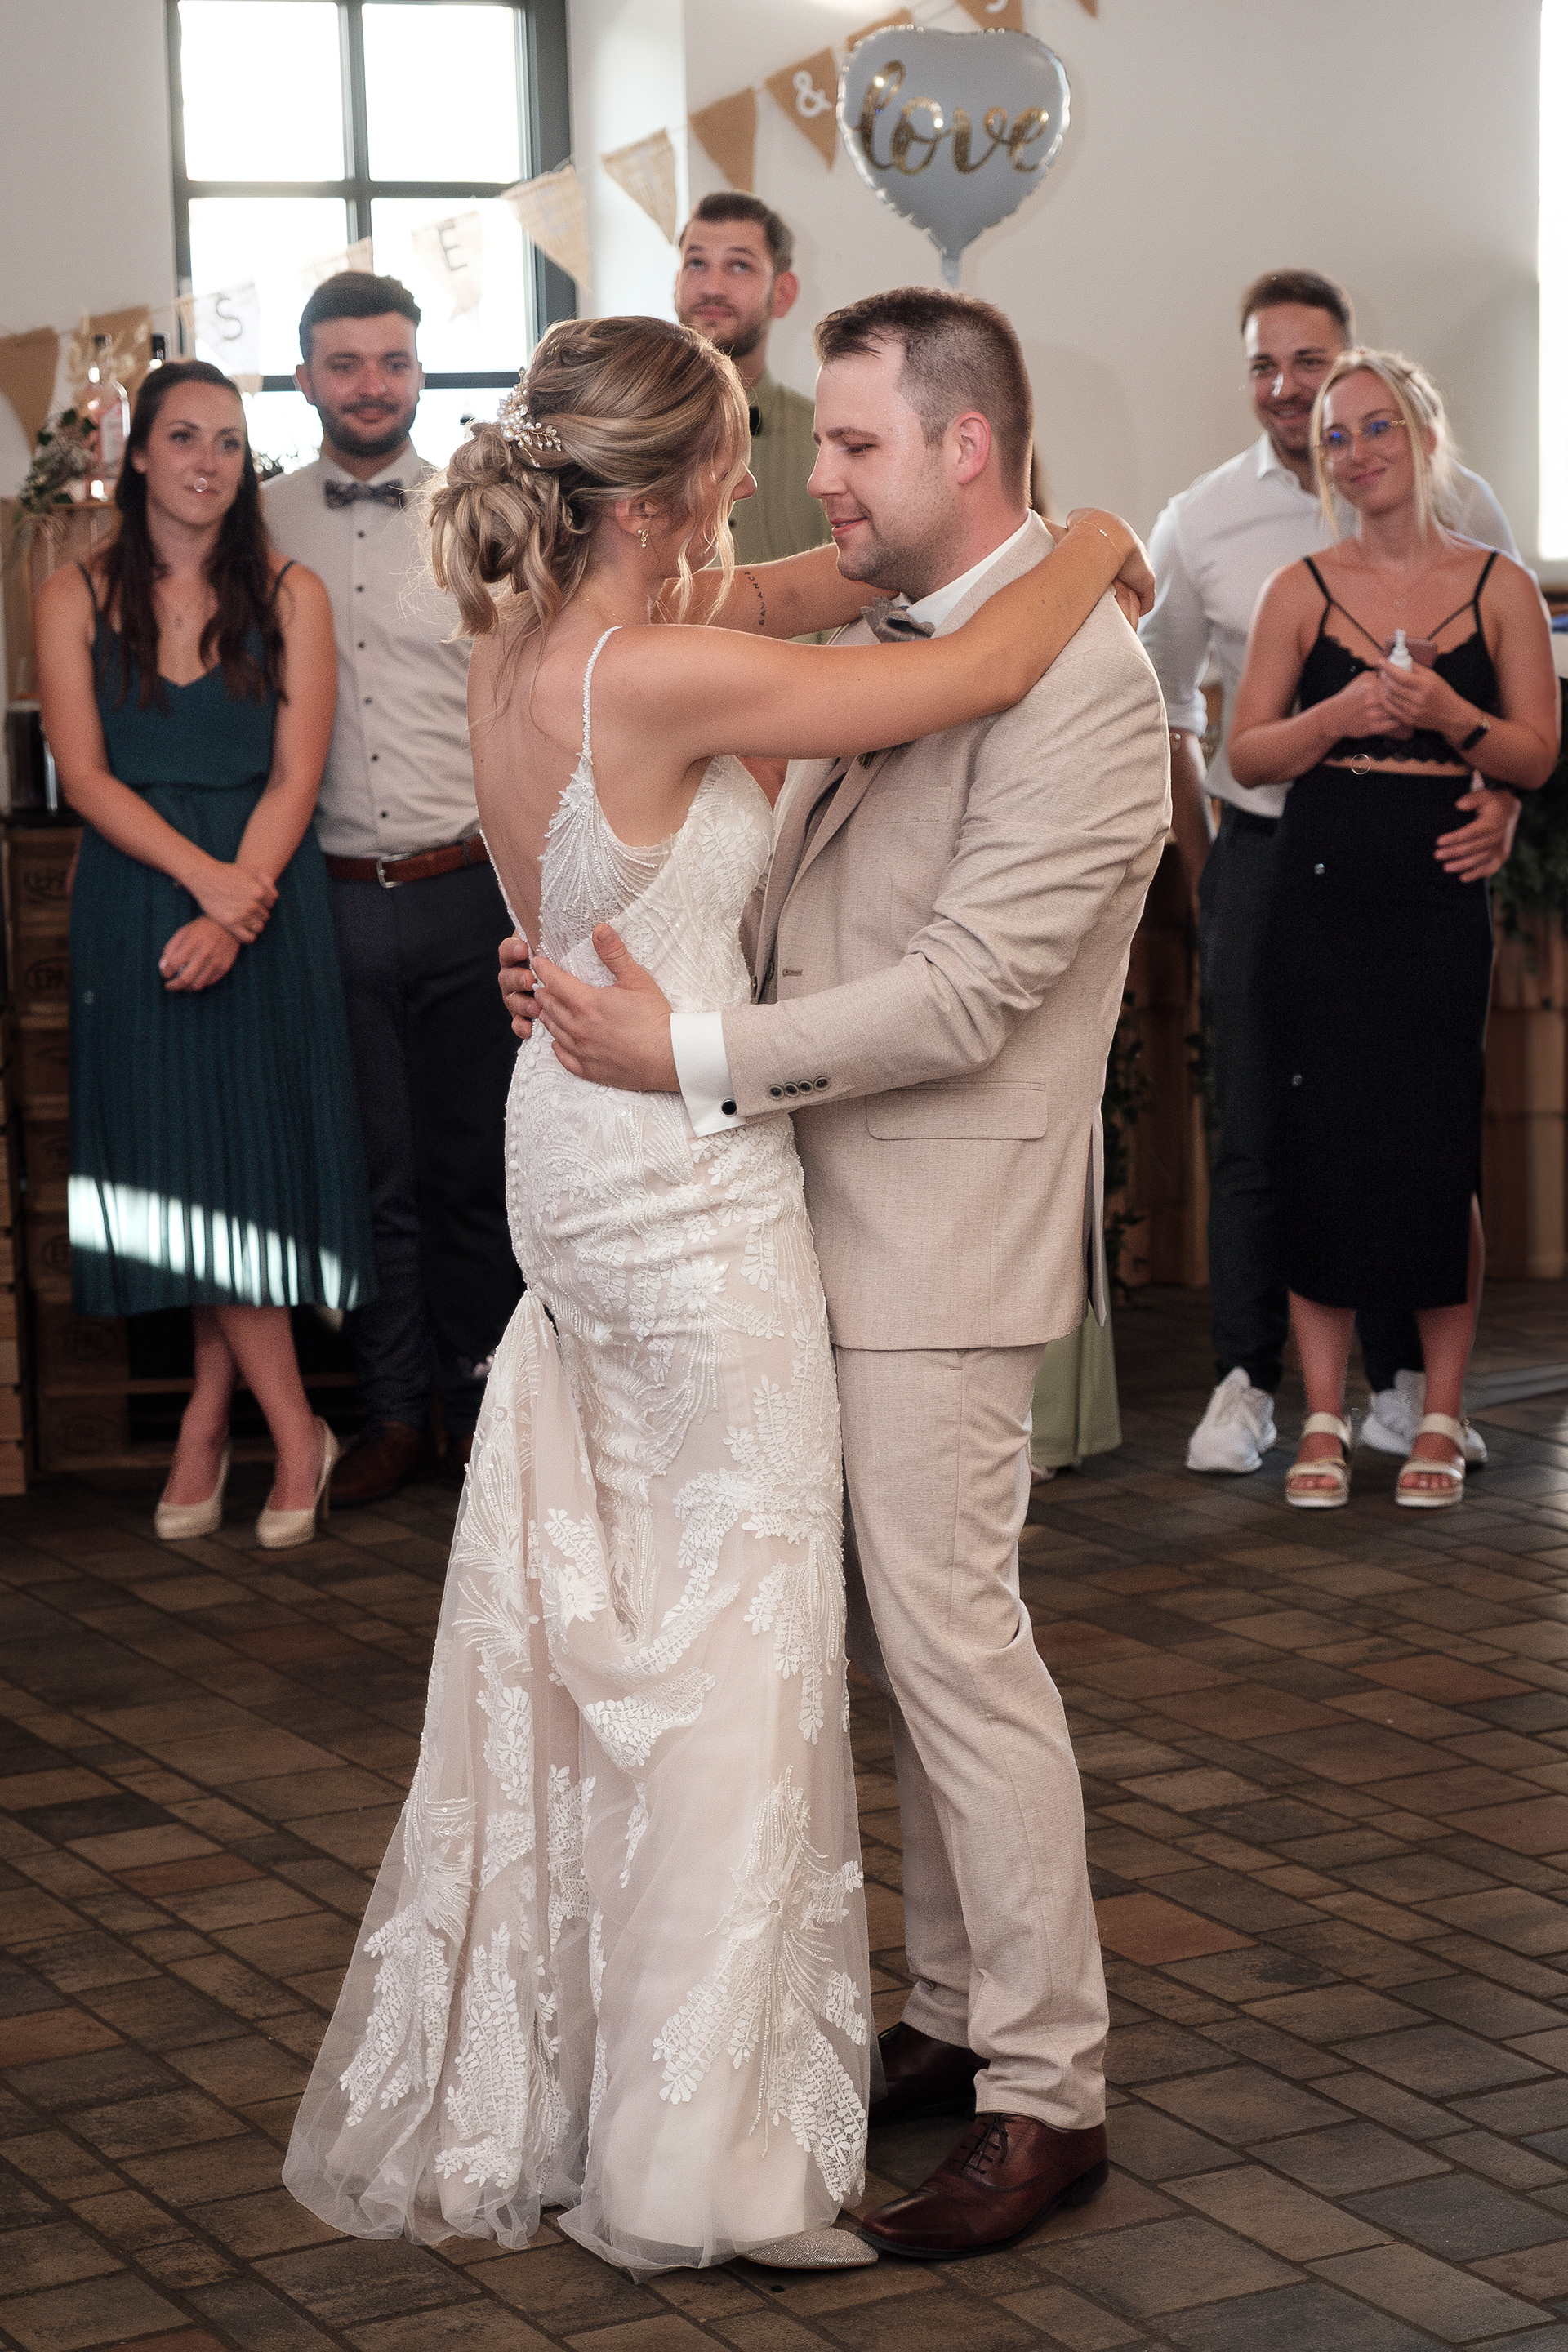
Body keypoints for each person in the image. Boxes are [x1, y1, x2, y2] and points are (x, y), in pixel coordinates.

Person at [283, 310, 1149, 2274]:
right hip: (691, 1180)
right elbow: (953, 655)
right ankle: (859, 2055)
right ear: (664, 493)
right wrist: (1102, 534)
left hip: (729, 1172)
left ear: (963, 446)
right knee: (745, 1650)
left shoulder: (557, 637)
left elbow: (965, 983)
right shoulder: (672, 655)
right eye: (771, 450)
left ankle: (1036, 2079)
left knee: (889, 1646)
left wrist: (624, 986)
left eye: (847, 445)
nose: (801, 486)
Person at [1141, 270, 1521, 1477]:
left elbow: (1519, 688)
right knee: (1264, 1127)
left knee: (1414, 1125)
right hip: (1268, 857)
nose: (1289, 388)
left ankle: (1406, 1388)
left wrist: (1505, 797)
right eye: (1265, 365)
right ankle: (1249, 1385)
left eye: (1310, 362)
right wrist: (1206, 863)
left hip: (1425, 855)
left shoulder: (1469, 506)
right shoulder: (1201, 519)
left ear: (1360, 367)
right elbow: (1165, 702)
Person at [35, 359, 373, 1549]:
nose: (208, 463)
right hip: (140, 896)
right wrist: (203, 885)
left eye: (229, 442)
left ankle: (227, 1424)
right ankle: (270, 1424)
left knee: (244, 1169)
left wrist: (237, 910)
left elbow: (297, 775)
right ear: (138, 454)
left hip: (266, 895)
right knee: (178, 1164)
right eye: (184, 438)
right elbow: (84, 777)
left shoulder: (292, 594)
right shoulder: (73, 593)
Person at [1227, 348, 1557, 1509]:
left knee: (1434, 1144)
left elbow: (1536, 755)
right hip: (1320, 884)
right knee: (1319, 1143)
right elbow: (1247, 752)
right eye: (1336, 437)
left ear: (1423, 432)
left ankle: (1441, 1414)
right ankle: (1323, 1415)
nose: (1357, 452)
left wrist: (1454, 714)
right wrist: (1341, 713)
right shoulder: (1299, 589)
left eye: (1377, 427)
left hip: (1438, 885)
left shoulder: (1500, 587)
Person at [265, 271, 521, 1505]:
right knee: (370, 1174)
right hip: (324, 899)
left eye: (394, 362)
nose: (372, 386)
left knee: (479, 1167)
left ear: (421, 372)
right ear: (304, 377)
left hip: (467, 884)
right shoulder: (260, 523)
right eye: (346, 363)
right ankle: (390, 1413)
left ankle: (485, 1415)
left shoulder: (482, 516)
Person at [675, 193, 831, 565]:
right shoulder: (623, 429)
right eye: (696, 263)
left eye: (739, 266)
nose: (712, 287)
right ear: (676, 283)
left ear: (782, 293)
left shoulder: (834, 441)